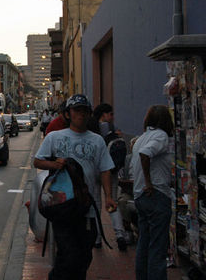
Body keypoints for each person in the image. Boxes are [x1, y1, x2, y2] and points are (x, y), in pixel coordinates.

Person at [34, 94, 117, 280]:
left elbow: (105, 170)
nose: (81, 114)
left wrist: (109, 197)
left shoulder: (97, 141)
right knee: (68, 255)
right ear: (68, 114)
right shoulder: (54, 137)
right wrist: (55, 164)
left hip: (88, 208)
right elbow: (37, 162)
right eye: (77, 110)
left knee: (84, 256)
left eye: (84, 111)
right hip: (62, 207)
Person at [132, 105, 174, 280]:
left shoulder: (143, 137)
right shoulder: (160, 136)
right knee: (157, 246)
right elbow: (145, 154)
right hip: (156, 194)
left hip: (141, 196)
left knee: (144, 242)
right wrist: (149, 182)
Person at [91, 103, 128, 251]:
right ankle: (119, 234)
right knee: (112, 202)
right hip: (110, 170)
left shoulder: (91, 128)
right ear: (104, 115)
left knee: (96, 204)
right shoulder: (111, 128)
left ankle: (97, 238)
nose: (112, 117)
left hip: (95, 171)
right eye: (110, 114)